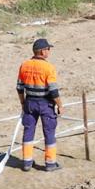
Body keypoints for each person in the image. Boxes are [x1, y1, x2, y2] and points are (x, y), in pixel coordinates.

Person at [16, 38, 63, 172]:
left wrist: (23, 102)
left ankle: (26, 162)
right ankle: (50, 163)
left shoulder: (24, 65)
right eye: (48, 49)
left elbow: (19, 88)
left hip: (30, 102)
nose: (49, 51)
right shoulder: (49, 67)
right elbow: (53, 91)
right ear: (42, 51)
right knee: (49, 132)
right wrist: (60, 105)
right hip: (45, 104)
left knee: (28, 131)